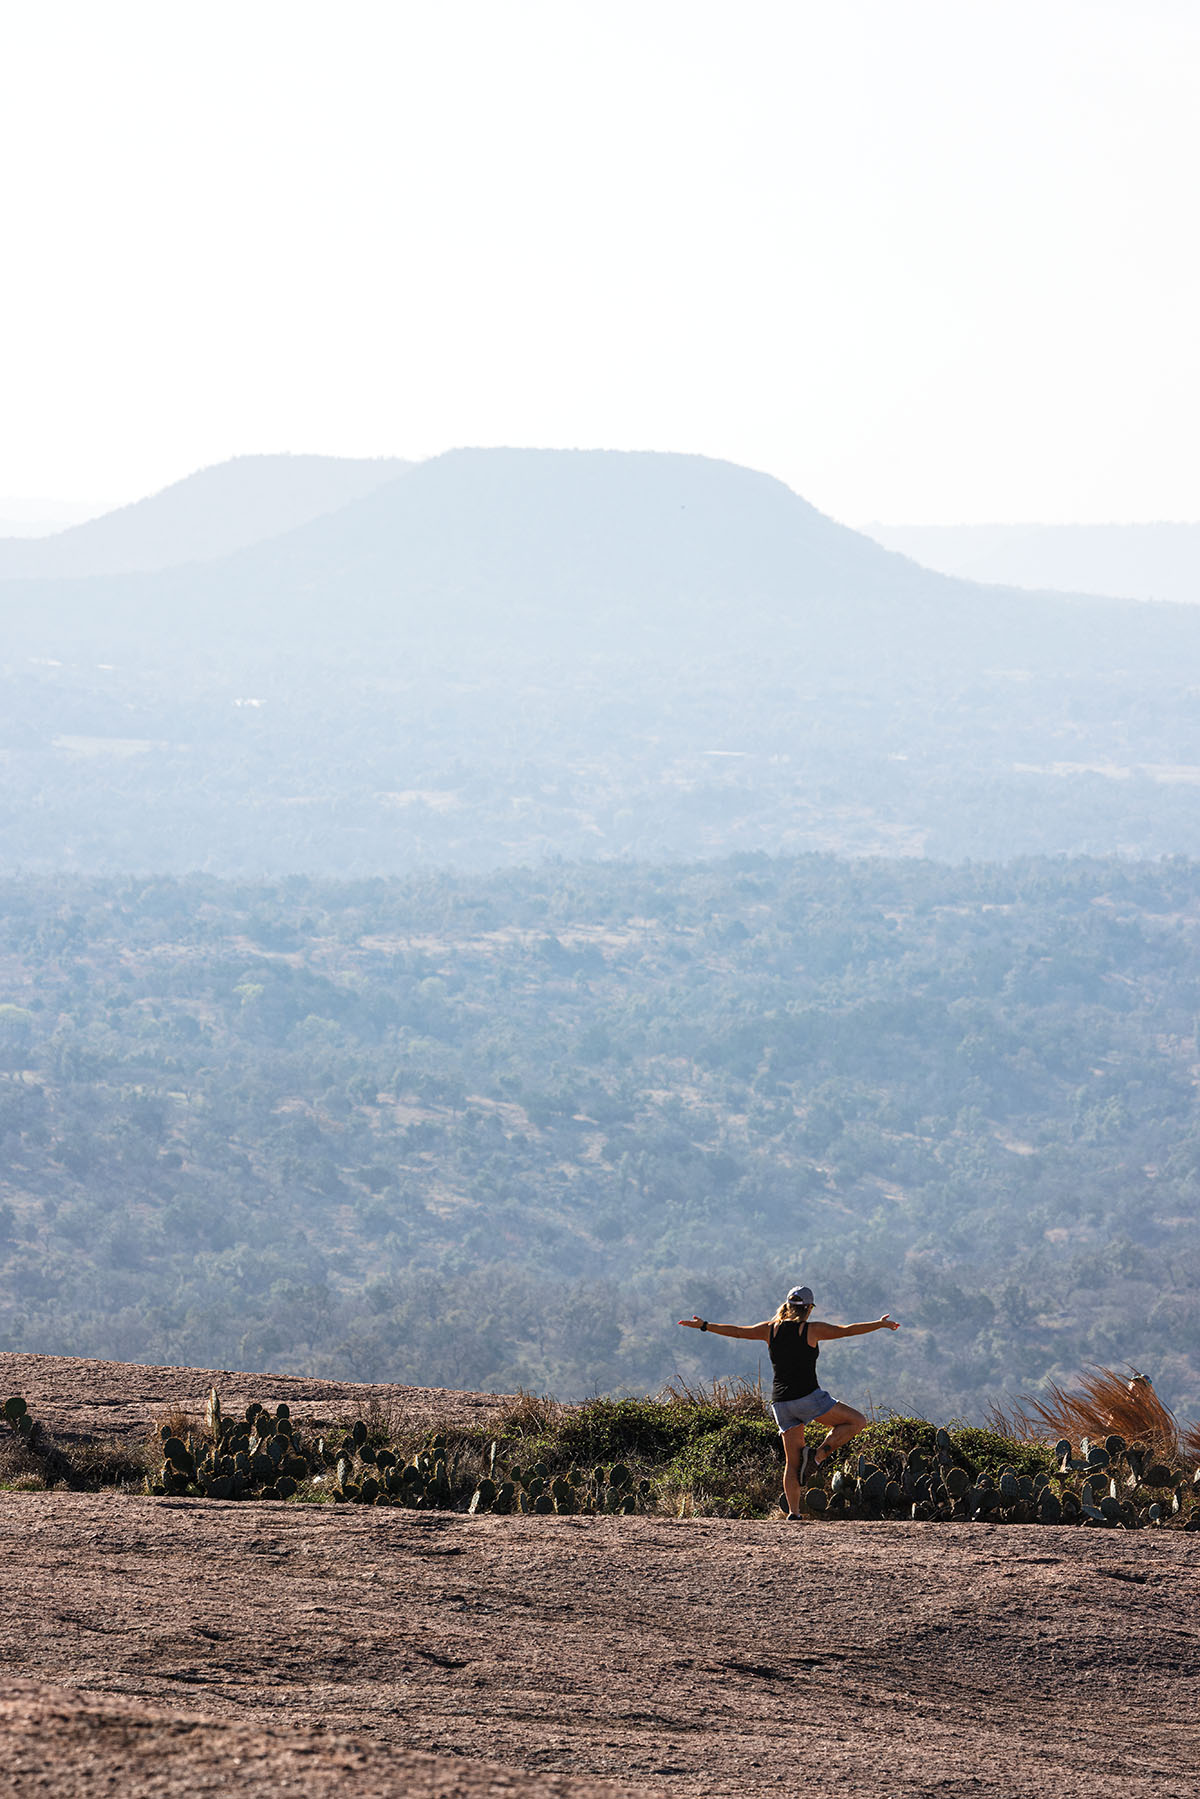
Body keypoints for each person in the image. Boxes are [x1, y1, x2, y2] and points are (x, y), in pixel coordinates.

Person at [678, 1284, 900, 1520]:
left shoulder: (769, 1329)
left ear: (787, 1306)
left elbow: (738, 1332)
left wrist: (704, 1325)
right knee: (856, 1421)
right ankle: (816, 1457)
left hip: (781, 1404)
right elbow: (847, 1330)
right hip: (808, 1398)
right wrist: (879, 1324)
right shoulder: (811, 1330)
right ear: (809, 1309)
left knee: (792, 1462)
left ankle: (794, 1514)